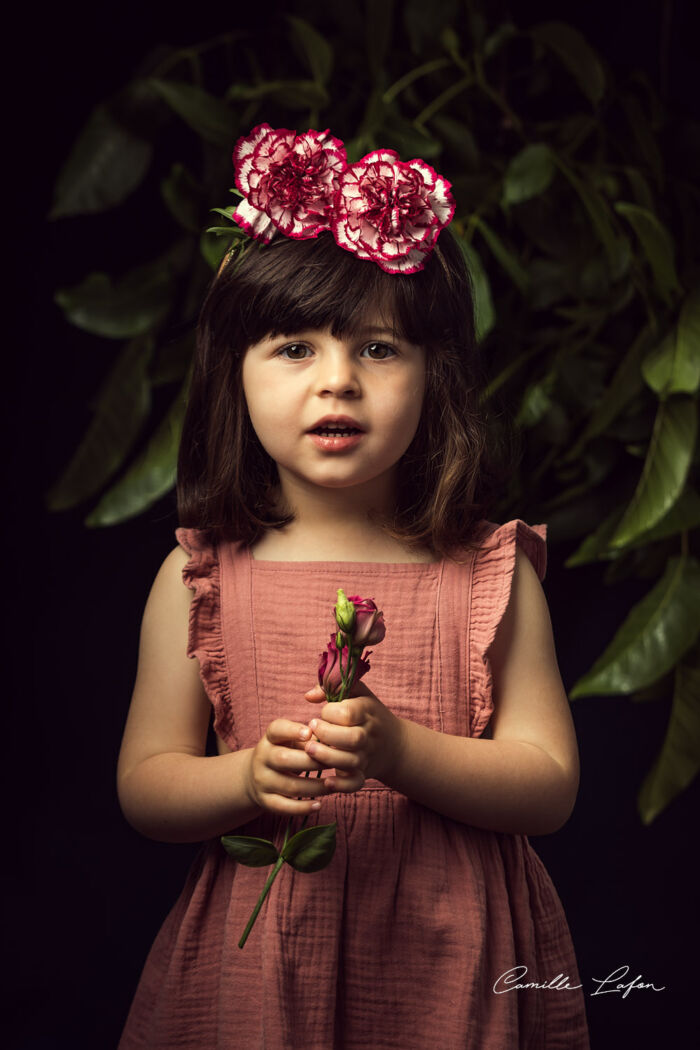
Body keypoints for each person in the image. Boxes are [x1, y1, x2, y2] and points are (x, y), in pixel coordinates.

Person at [116, 125, 590, 1049]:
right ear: (234, 378)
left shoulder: (486, 575)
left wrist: (400, 751)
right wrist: (245, 777)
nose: (337, 382)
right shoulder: (200, 578)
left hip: (462, 969)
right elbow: (146, 786)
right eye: (293, 348)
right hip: (268, 967)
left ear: (433, 377)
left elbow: (550, 786)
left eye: (378, 349)